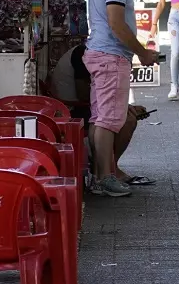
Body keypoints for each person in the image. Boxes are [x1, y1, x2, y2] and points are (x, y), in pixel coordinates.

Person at [84, 0, 159, 197]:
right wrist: (142, 52)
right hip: (110, 56)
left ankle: (100, 175)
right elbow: (116, 23)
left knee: (100, 118)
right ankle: (105, 177)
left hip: (100, 53)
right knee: (108, 119)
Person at [49, 44, 154, 186]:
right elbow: (84, 94)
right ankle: (109, 170)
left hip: (77, 105)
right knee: (126, 120)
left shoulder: (90, 52)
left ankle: (106, 169)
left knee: (122, 114)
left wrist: (124, 107)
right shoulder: (84, 54)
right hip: (71, 109)